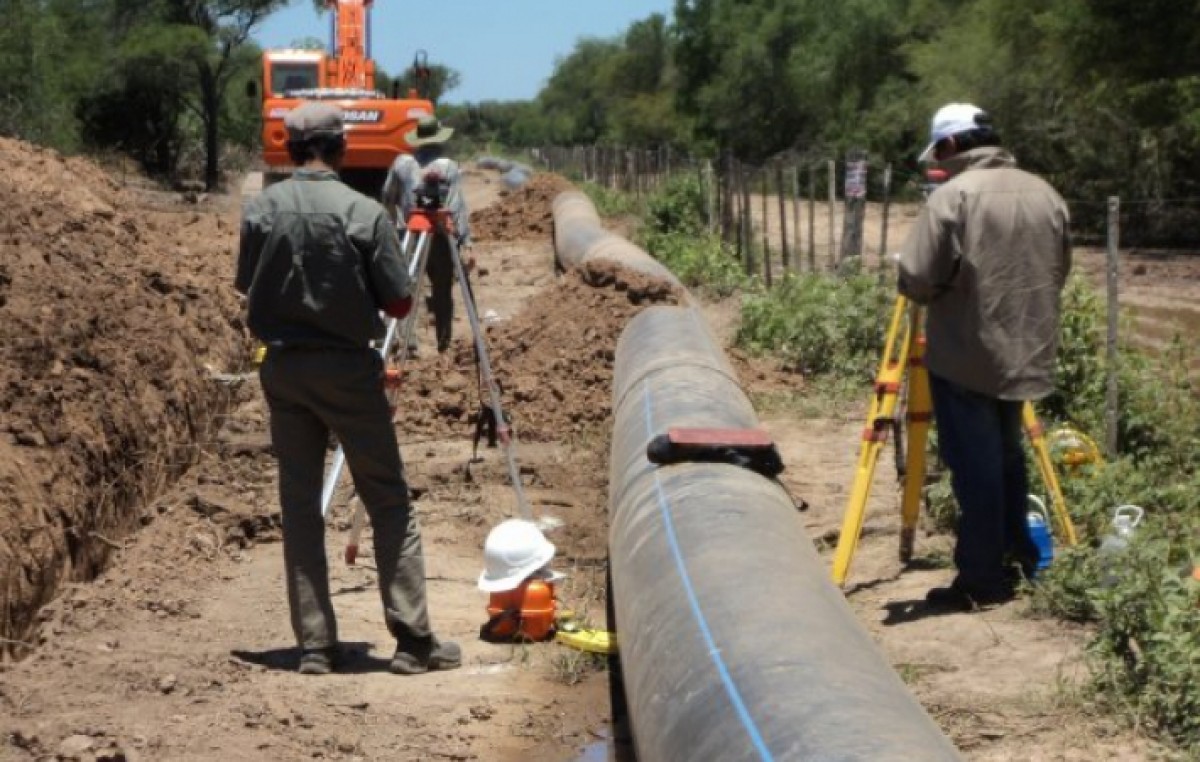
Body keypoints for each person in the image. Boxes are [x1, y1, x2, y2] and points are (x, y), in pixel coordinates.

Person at [236, 101, 461, 675]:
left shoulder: (261, 209)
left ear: (291, 150)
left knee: (301, 504)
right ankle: (413, 642)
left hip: (283, 370)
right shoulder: (363, 213)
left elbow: (247, 284)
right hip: (348, 370)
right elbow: (400, 301)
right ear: (339, 148)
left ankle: (314, 645)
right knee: (387, 498)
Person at [898, 103, 1072, 611]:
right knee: (1008, 459)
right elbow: (1059, 272)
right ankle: (1018, 558)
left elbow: (917, 278)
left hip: (966, 355)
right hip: (1027, 353)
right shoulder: (1046, 193)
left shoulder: (954, 197)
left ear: (952, 146)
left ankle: (981, 579)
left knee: (976, 469)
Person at [382, 114, 473, 354]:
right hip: (442, 237)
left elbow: (387, 196)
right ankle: (443, 340)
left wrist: (394, 223)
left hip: (409, 234)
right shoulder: (448, 167)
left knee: (407, 288)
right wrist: (465, 242)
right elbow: (456, 207)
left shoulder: (402, 163)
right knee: (442, 289)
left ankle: (408, 343)